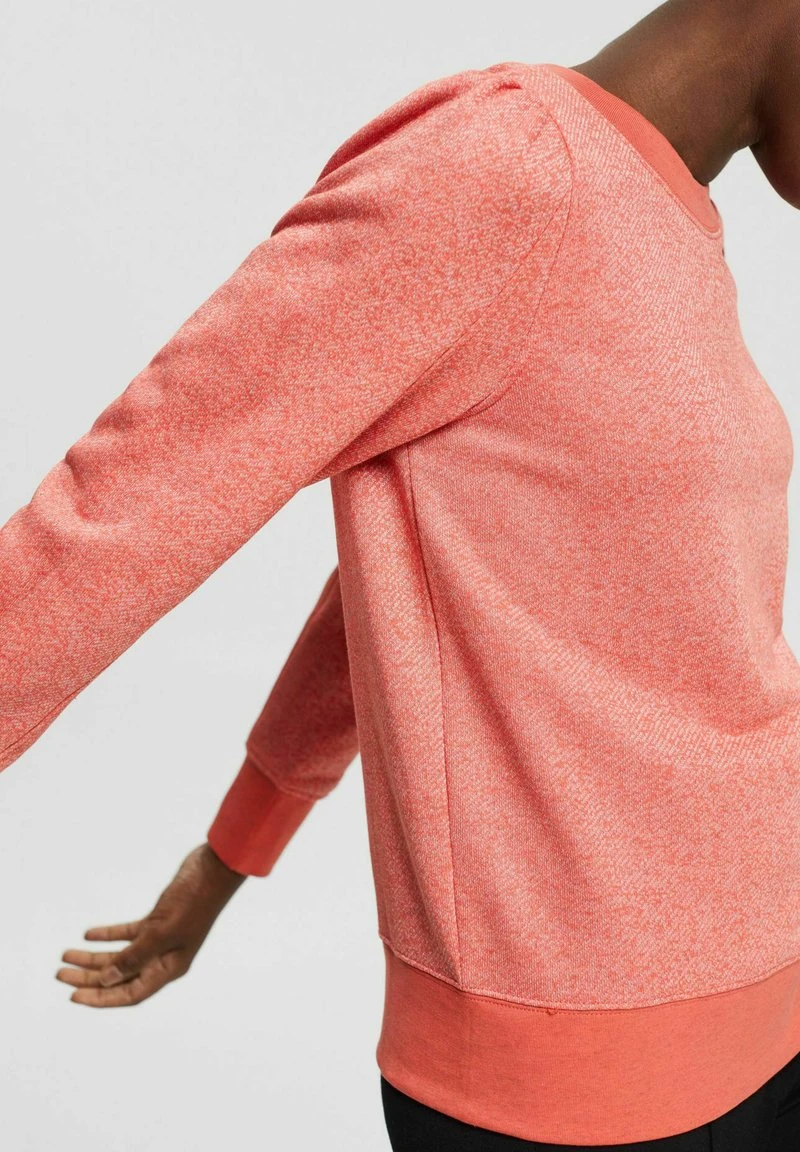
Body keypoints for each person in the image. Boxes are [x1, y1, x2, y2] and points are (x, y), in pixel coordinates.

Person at [0, 0, 793, 1144]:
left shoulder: (665, 226)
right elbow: (127, 504)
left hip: (771, 999)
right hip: (568, 1084)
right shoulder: (500, 166)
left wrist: (232, 848)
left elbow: (432, 577)